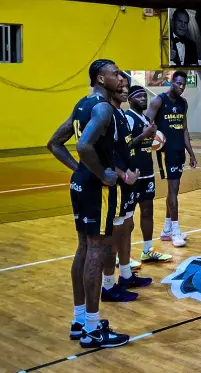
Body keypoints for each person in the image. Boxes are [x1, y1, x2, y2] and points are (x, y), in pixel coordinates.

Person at [45, 59, 130, 348]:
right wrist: (102, 174)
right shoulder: (104, 107)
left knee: (83, 248)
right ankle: (93, 329)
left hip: (81, 184)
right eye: (115, 73)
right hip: (97, 189)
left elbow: (55, 142)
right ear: (101, 78)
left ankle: (80, 319)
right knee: (97, 249)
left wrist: (79, 170)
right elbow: (83, 146)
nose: (120, 77)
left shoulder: (82, 104)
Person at [100, 73, 152, 302]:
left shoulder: (120, 114)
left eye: (125, 86)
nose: (123, 89)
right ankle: (108, 286)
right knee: (114, 235)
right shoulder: (107, 114)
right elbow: (104, 149)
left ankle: (126, 274)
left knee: (128, 227)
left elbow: (126, 145)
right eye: (120, 86)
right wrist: (122, 173)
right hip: (119, 184)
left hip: (131, 180)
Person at [146, 70, 197, 247]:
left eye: (184, 84)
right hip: (166, 153)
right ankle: (175, 230)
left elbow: (184, 129)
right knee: (173, 191)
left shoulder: (183, 103)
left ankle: (166, 229)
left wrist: (190, 153)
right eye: (178, 83)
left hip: (178, 151)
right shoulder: (159, 100)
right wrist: (155, 136)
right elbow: (146, 124)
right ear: (171, 82)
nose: (181, 87)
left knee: (172, 191)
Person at [125, 86, 174, 264]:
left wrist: (157, 139)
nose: (143, 99)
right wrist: (143, 135)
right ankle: (123, 256)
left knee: (147, 212)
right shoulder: (128, 119)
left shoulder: (146, 119)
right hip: (132, 175)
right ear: (130, 100)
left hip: (147, 173)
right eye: (138, 97)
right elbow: (125, 146)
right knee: (127, 218)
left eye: (144, 96)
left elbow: (147, 144)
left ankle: (147, 250)